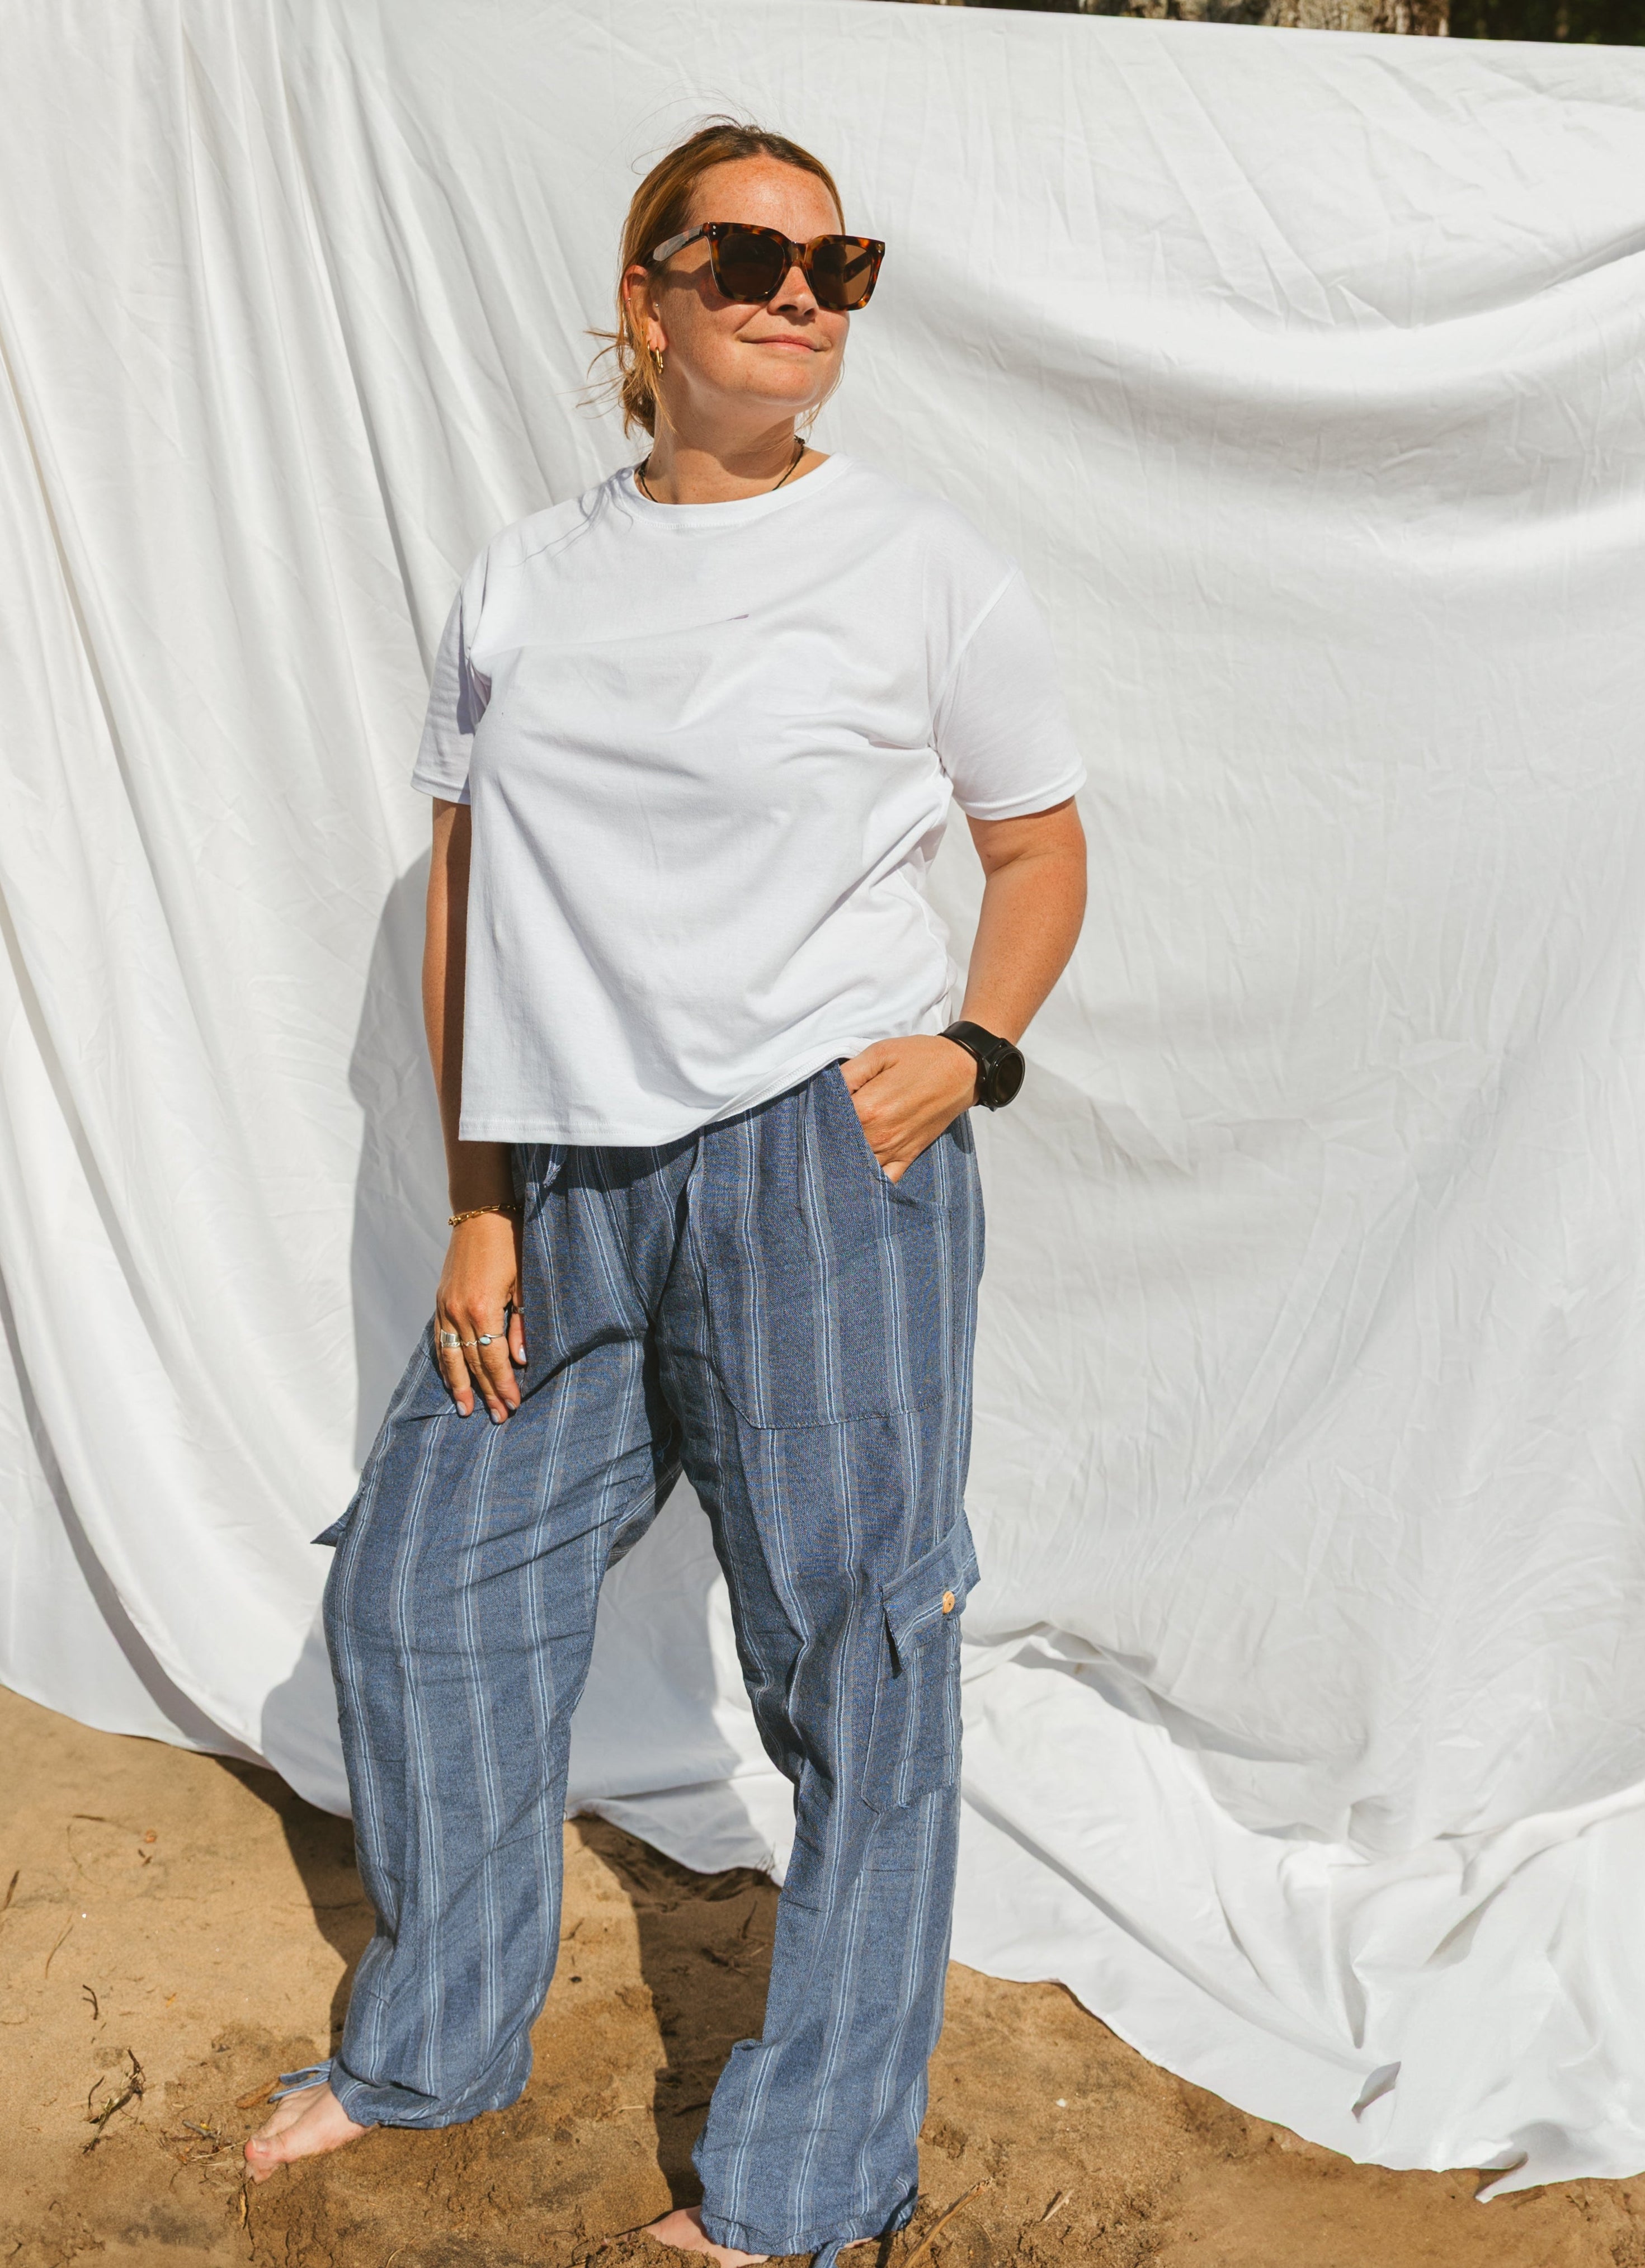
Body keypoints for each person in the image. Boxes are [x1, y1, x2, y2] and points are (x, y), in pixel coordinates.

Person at [243, 117, 1087, 2267]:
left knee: (856, 1663)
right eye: (746, 260)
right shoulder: (527, 573)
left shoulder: (921, 565)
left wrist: (967, 1050)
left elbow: (1036, 844)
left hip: (820, 1172)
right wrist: (480, 1195)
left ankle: (804, 2189)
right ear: (646, 298)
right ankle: (434, 2047)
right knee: (425, 1592)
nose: (798, 297)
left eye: (835, 266)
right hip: (564, 1180)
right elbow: (467, 896)